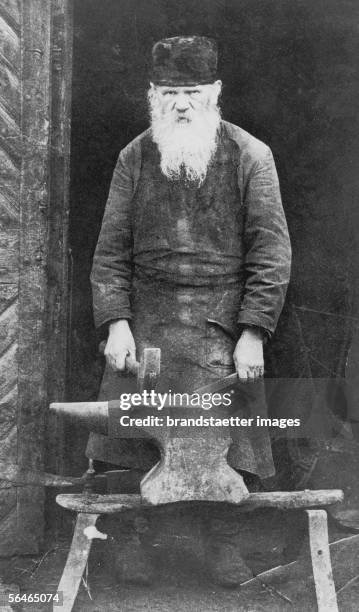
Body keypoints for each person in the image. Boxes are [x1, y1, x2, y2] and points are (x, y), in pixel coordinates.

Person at [89, 35, 292, 587]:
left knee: (226, 440)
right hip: (148, 322)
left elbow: (272, 254)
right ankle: (135, 540)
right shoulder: (134, 156)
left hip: (221, 325)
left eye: (193, 91)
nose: (182, 104)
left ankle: (223, 542)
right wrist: (117, 323)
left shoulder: (251, 155)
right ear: (154, 94)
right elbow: (110, 253)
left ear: (215, 92)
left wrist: (253, 332)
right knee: (131, 437)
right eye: (171, 91)